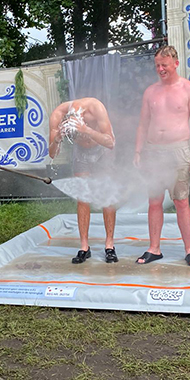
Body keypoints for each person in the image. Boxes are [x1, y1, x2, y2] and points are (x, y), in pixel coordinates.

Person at [134, 45, 190, 266]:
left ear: (175, 63)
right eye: (157, 65)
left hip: (178, 150)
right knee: (154, 201)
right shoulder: (150, 91)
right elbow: (143, 124)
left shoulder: (188, 89)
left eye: (164, 65)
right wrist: (138, 151)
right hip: (153, 152)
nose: (160, 69)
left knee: (181, 201)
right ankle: (154, 248)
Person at [49, 98, 118, 264]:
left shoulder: (96, 107)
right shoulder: (58, 114)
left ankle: (109, 245)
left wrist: (86, 130)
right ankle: (84, 247)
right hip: (81, 152)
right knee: (82, 196)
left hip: (102, 149)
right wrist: (57, 138)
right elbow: (52, 154)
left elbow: (111, 143)